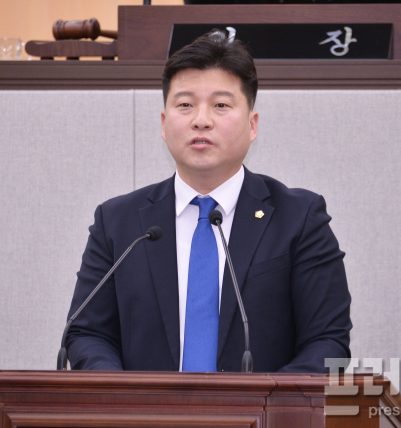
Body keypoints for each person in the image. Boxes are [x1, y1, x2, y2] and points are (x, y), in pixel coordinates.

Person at [65, 30, 351, 373]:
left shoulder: (299, 219)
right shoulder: (118, 222)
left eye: (221, 105)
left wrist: (268, 400)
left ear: (252, 125)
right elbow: (87, 333)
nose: (201, 120)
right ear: (164, 123)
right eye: (185, 105)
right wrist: (125, 395)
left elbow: (328, 342)